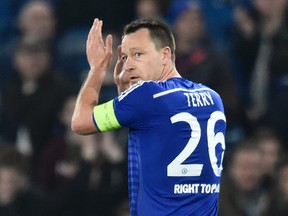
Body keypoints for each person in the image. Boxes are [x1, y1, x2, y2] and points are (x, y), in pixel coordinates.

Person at [71, 18, 226, 215]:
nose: (128, 65)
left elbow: (80, 122)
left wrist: (97, 69)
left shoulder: (147, 95)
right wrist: (124, 93)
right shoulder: (213, 98)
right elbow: (154, 131)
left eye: (138, 54)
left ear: (165, 55)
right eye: (125, 57)